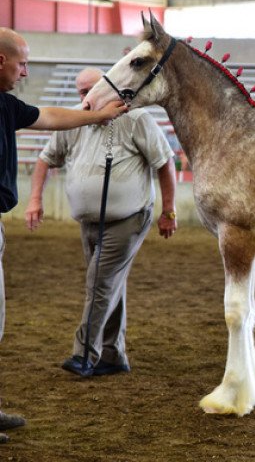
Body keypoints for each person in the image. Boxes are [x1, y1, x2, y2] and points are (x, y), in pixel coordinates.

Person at [0, 27, 126, 443]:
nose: (25, 72)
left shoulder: (7, 106)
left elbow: (50, 115)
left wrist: (97, 115)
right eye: (21, 64)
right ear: (2, 61)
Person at [24, 67, 177, 380]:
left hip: (128, 218)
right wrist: (35, 199)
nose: (87, 97)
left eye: (92, 89)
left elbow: (164, 162)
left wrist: (169, 210)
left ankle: (84, 355)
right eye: (82, 91)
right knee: (108, 285)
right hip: (90, 221)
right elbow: (46, 158)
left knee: (99, 283)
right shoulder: (72, 121)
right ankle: (112, 354)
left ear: (109, 88)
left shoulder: (136, 119)